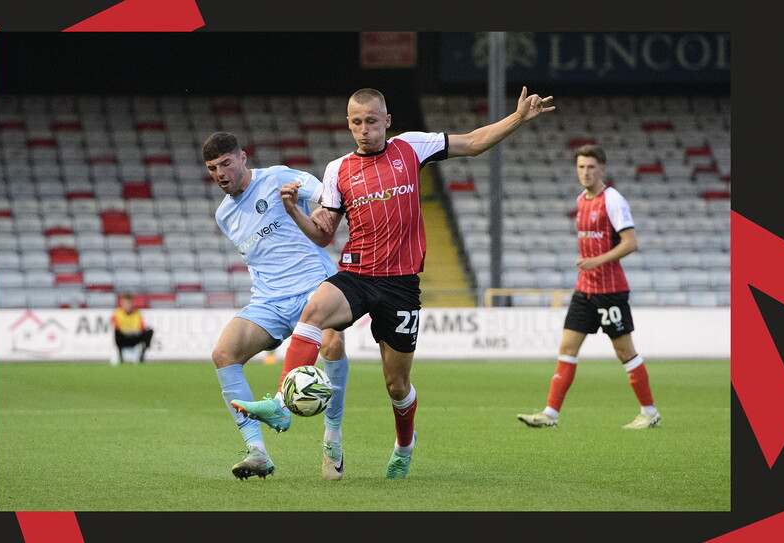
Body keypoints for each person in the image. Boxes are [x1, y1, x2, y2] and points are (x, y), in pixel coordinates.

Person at [253, 86, 555, 479]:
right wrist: (294, 210)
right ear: (348, 124)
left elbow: (473, 143)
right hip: (357, 274)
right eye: (357, 123)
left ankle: (404, 444)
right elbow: (325, 233)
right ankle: (280, 400)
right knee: (313, 312)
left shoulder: (411, 148)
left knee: (397, 386)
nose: (364, 130)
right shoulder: (337, 170)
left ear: (387, 121)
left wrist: (516, 118)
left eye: (372, 121)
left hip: (400, 285)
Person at [202, 131, 350, 481]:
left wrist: (317, 216)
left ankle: (332, 437)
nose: (220, 173)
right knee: (224, 353)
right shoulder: (224, 215)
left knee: (332, 344)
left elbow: (331, 196)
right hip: (269, 300)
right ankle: (257, 452)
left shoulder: (279, 177)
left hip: (316, 288)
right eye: (212, 168)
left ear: (243, 157)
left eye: (225, 163)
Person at [517, 144, 661, 430]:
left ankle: (649, 412)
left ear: (602, 169)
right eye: (581, 167)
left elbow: (631, 243)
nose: (585, 172)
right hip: (584, 290)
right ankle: (550, 414)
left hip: (610, 292)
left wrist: (598, 260)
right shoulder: (581, 200)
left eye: (591, 167)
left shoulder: (613, 200)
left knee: (624, 352)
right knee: (567, 348)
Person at [111, 293, 153, 363]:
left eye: (129, 303)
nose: (128, 305)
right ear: (122, 303)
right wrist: (127, 331)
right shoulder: (117, 313)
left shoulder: (137, 312)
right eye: (126, 303)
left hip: (134, 337)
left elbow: (142, 327)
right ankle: (120, 355)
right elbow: (116, 326)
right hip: (123, 338)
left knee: (149, 332)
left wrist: (134, 331)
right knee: (117, 333)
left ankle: (142, 355)